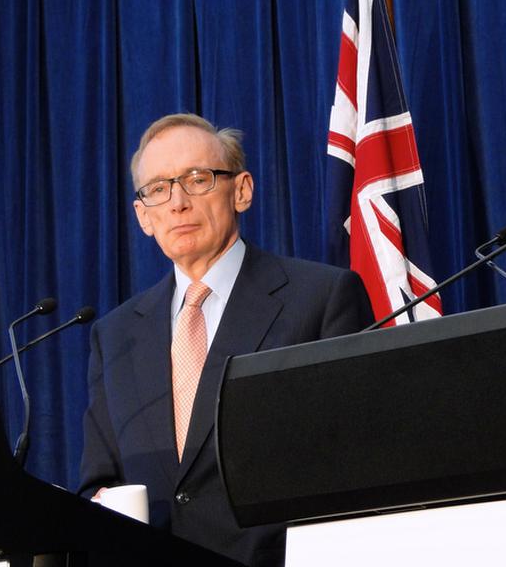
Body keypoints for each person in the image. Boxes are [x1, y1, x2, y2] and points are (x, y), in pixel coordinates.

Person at [77, 113, 374, 566]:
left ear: (242, 190)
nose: (177, 202)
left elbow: (356, 460)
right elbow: (99, 483)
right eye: (158, 189)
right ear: (143, 217)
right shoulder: (115, 335)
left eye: (197, 179)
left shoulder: (320, 298)